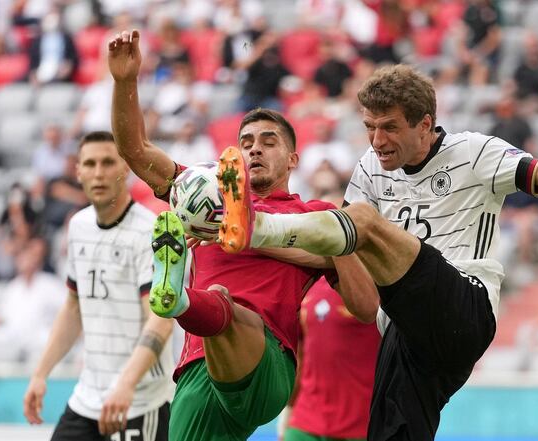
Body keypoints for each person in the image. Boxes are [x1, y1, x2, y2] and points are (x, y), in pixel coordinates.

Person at [213, 64, 538, 440]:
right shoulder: (370, 166)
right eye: (369, 126)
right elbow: (337, 251)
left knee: (361, 222)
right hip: (409, 332)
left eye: (389, 127)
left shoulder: (476, 154)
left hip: (463, 306)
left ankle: (260, 225)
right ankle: (251, 230)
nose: (377, 140)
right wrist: (241, 245)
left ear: (425, 123)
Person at [108, 30, 376, 441]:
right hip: (197, 370)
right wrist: (125, 81)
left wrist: (335, 244)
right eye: (246, 142)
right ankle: (178, 297)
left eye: (269, 143)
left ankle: (179, 298)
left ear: (292, 159)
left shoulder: (316, 215)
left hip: (267, 361)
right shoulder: (204, 194)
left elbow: (365, 306)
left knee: (224, 303)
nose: (254, 150)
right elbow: (135, 151)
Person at [23, 131, 175, 441]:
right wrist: (41, 374)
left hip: (139, 402)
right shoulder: (78, 226)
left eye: (108, 162)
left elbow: (160, 321)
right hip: (87, 398)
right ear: (77, 171)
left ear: (126, 169)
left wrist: (127, 384)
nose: (98, 172)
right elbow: (74, 306)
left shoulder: (151, 231)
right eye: (89, 163)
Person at [281, 277, 381, 441]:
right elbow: (300, 357)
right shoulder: (308, 281)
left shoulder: (375, 285)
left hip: (361, 427)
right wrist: (287, 415)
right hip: (304, 423)